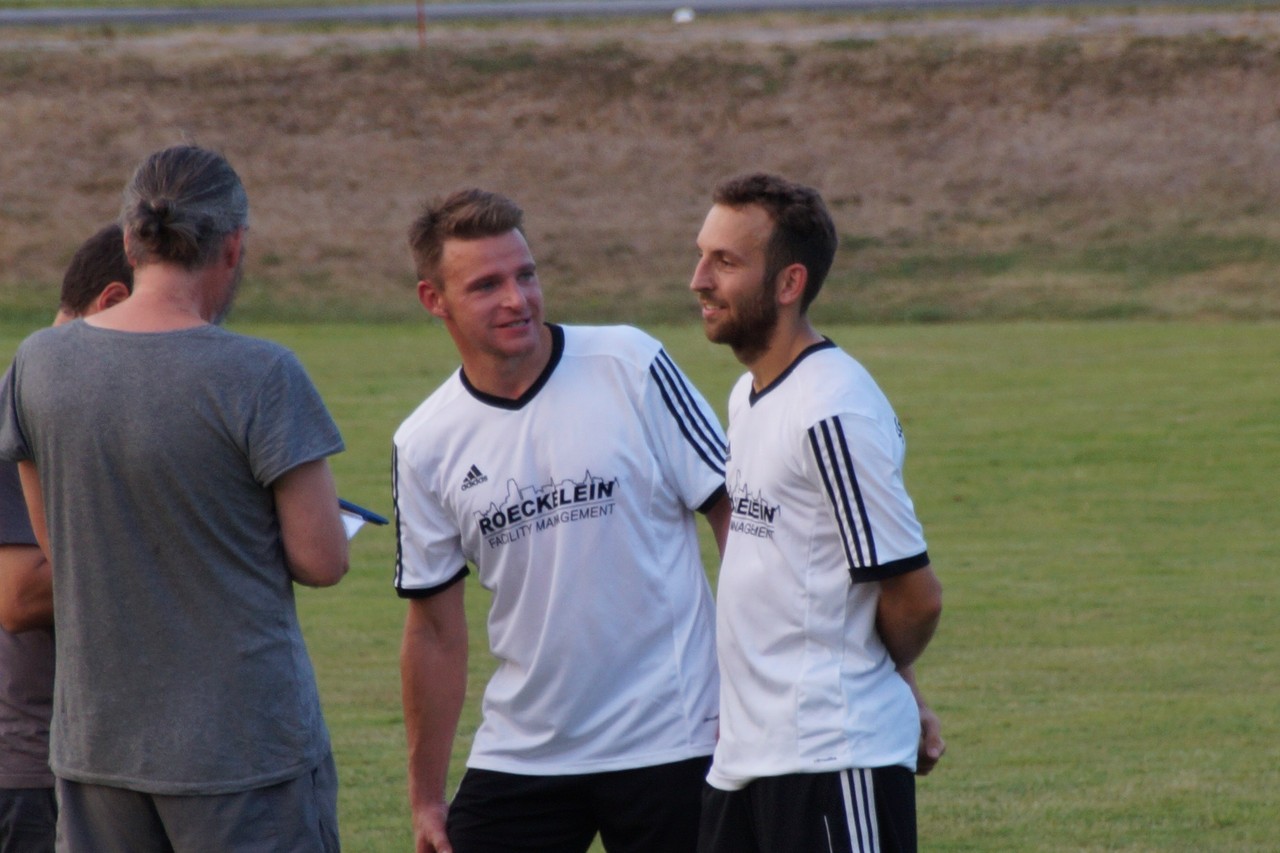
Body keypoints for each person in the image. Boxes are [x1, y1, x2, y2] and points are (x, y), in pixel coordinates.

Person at [0, 144, 349, 852]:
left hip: (96, 746)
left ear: (131, 241)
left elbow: (57, 538)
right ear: (234, 245)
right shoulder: (262, 373)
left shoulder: (37, 362)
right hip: (243, 748)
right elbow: (322, 559)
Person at [394, 188, 730, 853]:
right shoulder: (424, 442)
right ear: (435, 299)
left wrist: (748, 699)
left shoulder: (629, 364)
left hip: (676, 736)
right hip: (524, 751)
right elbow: (433, 630)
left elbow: (739, 525)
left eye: (525, 275)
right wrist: (426, 794)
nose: (517, 299)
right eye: (486, 285)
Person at [690, 173, 945, 853]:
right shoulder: (749, 394)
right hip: (745, 761)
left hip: (830, 760)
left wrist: (886, 686)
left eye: (725, 261)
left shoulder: (832, 410)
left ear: (789, 282)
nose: (699, 280)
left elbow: (914, 594)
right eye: (701, 255)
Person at [0, 224, 133, 853]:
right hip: (31, 770)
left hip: (93, 752)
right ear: (112, 302)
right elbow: (19, 596)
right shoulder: (27, 404)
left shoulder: (81, 405)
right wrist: (185, 543)